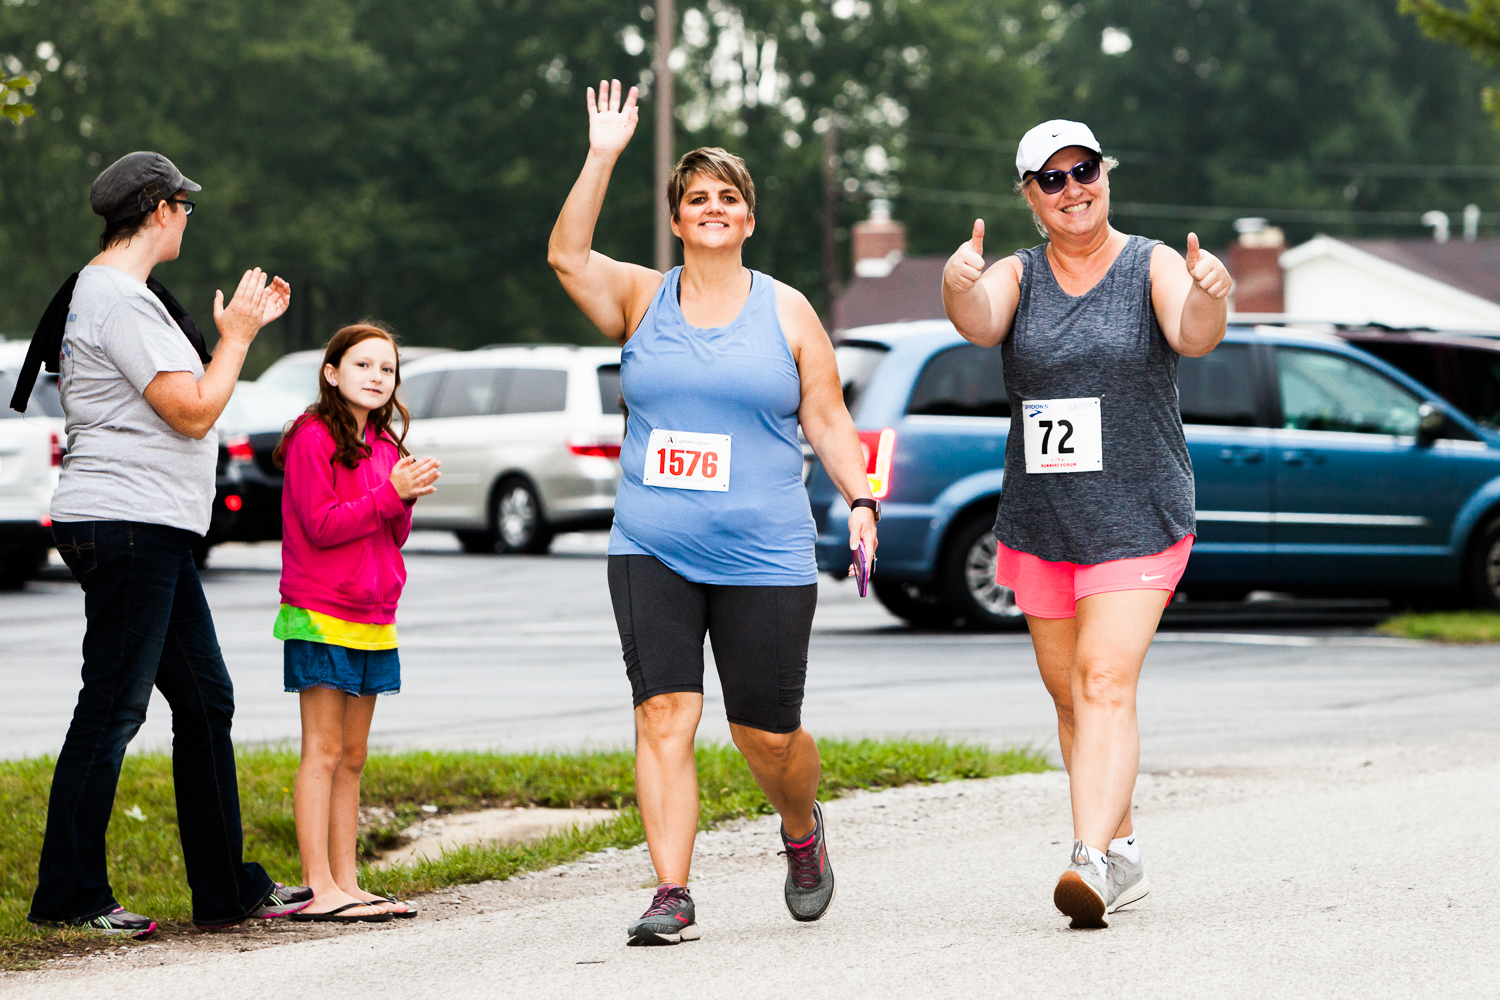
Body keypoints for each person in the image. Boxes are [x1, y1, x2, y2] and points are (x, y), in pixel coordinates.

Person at [548, 80, 879, 945]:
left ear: (748, 218)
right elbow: (567, 256)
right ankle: (671, 891)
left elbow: (829, 419)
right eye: (697, 198)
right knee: (664, 713)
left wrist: (862, 499)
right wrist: (603, 154)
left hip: (765, 551)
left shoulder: (787, 310)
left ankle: (801, 831)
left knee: (765, 735)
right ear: (677, 219)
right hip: (650, 542)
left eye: (728, 197)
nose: (712, 207)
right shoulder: (639, 298)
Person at [941, 120, 1231, 929]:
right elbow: (978, 320)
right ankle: (1126, 847)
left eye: (1085, 171)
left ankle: (1089, 861)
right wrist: (958, 283)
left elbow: (1192, 334)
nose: (1074, 189)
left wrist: (1215, 298)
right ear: (1030, 196)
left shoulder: (1152, 264)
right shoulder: (1018, 275)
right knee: (1072, 699)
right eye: (1053, 179)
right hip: (1042, 518)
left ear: (1106, 173)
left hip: (1140, 511)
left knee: (1105, 680)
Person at [27, 152, 310, 935]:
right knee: (113, 708)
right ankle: (70, 894)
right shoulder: (116, 299)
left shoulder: (124, 296)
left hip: (150, 526)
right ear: (158, 209)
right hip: (126, 525)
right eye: (184, 205)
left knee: (205, 699)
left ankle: (225, 889)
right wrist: (240, 337)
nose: (188, 216)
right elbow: (192, 410)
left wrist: (226, 335)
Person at [271, 323, 440, 923]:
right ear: (332, 373)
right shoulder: (313, 438)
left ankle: (349, 881)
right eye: (363, 365)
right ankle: (319, 887)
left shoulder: (390, 449)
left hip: (374, 615)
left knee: (353, 756)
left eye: (386, 369)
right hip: (319, 612)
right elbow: (321, 525)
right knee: (321, 751)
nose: (376, 377)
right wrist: (389, 496)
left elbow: (389, 532)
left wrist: (404, 496)